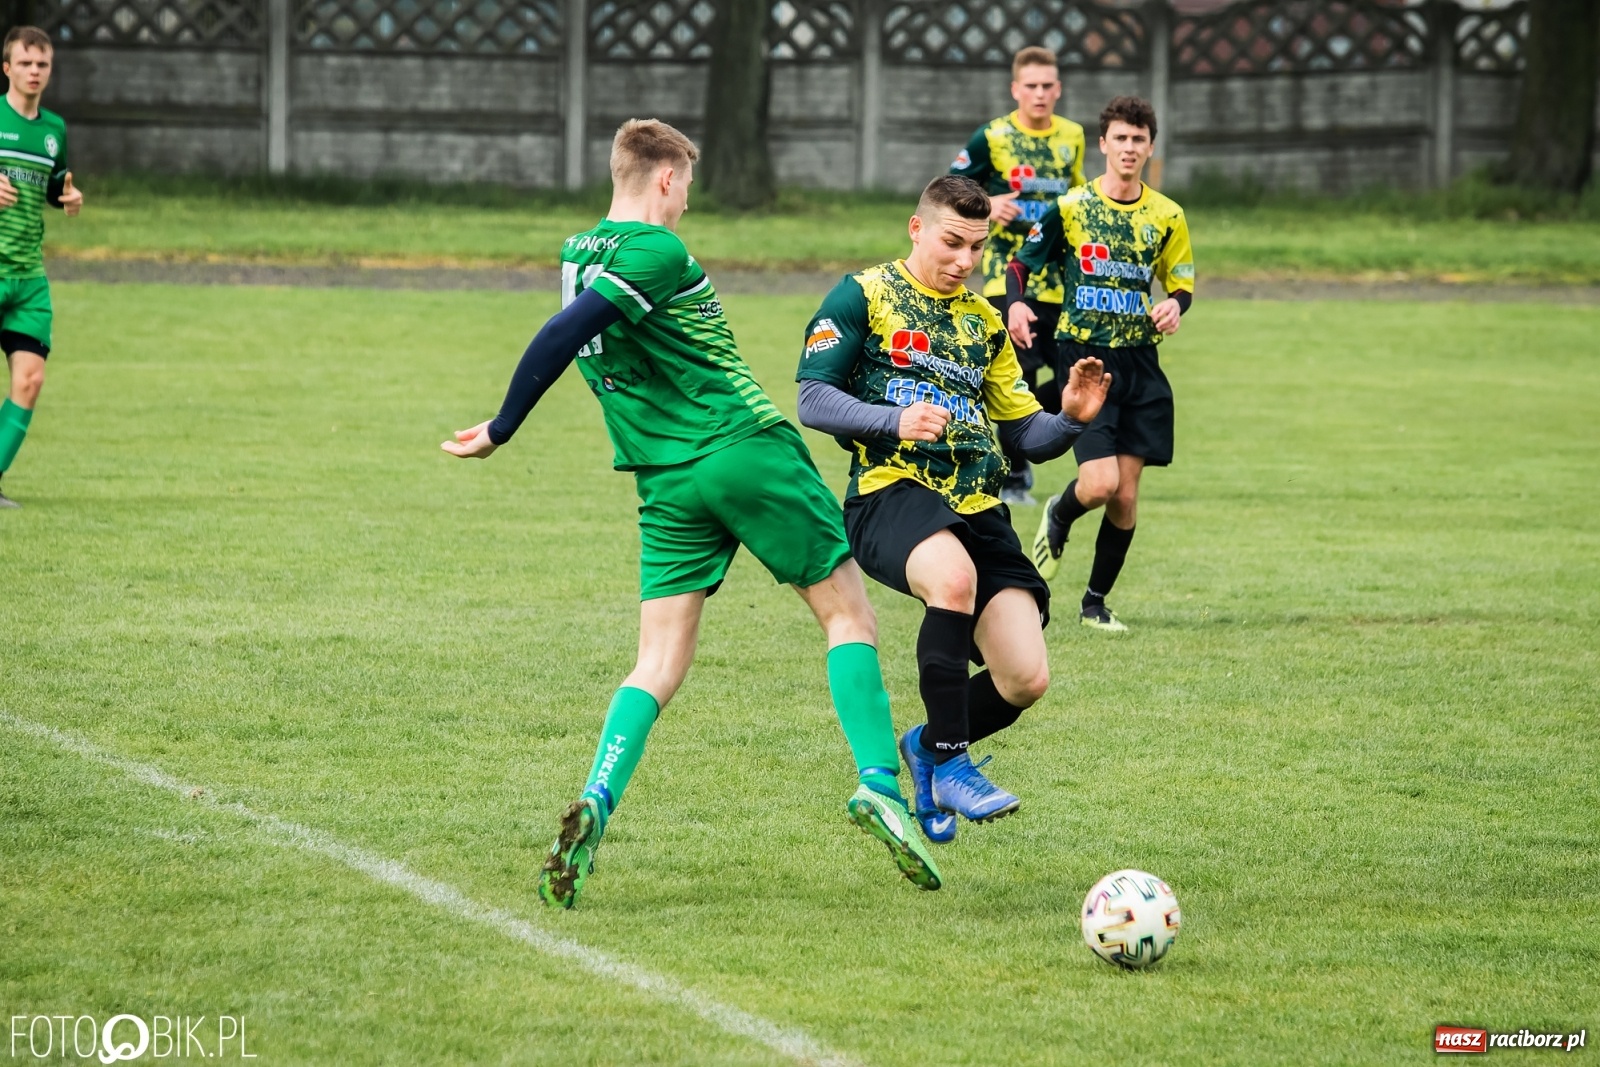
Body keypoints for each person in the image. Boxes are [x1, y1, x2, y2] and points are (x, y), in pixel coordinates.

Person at [443, 119, 941, 908]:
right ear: (666, 178)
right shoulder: (659, 249)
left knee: (658, 659)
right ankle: (881, 785)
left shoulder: (577, 253)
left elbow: (586, 333)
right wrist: (504, 425)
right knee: (848, 615)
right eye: (687, 188)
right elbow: (564, 332)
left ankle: (598, 797)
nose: (686, 205)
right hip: (743, 447)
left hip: (665, 478)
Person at [795, 175, 1110, 843]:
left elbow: (1024, 433)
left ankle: (925, 744)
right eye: (952, 242)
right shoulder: (865, 295)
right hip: (890, 491)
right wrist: (893, 419)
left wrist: (1071, 419)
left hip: (979, 507)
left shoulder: (984, 322)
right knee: (954, 579)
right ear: (917, 229)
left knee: (1024, 677)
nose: (966, 260)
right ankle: (951, 763)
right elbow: (813, 398)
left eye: (977, 246)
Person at [1009, 96, 1194, 633]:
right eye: (1121, 138)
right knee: (1097, 485)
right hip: (1085, 360)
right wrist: (1016, 305)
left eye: (1139, 139)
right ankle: (1059, 512)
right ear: (1103, 144)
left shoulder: (1168, 215)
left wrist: (1173, 305)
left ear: (1151, 147)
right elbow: (1021, 264)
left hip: (1141, 364)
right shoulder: (1071, 207)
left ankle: (1094, 604)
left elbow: (1181, 283)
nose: (1129, 147)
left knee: (1125, 497)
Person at [949, 45, 1086, 506]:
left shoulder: (1073, 136)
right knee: (1016, 376)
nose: (1040, 93)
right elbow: (948, 191)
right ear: (1015, 89)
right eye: (1031, 86)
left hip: (1061, 281)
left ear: (1059, 89)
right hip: (1007, 279)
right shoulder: (992, 137)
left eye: (1047, 85)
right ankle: (1013, 477)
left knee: (1070, 375)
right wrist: (987, 204)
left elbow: (1079, 195)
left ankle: (1020, 439)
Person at [0, 27, 82, 509]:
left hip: (29, 278)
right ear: (6, 68)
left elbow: (55, 185)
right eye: (25, 63)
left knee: (29, 381)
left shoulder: (54, 129)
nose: (34, 71)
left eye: (42, 64)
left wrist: (68, 197)